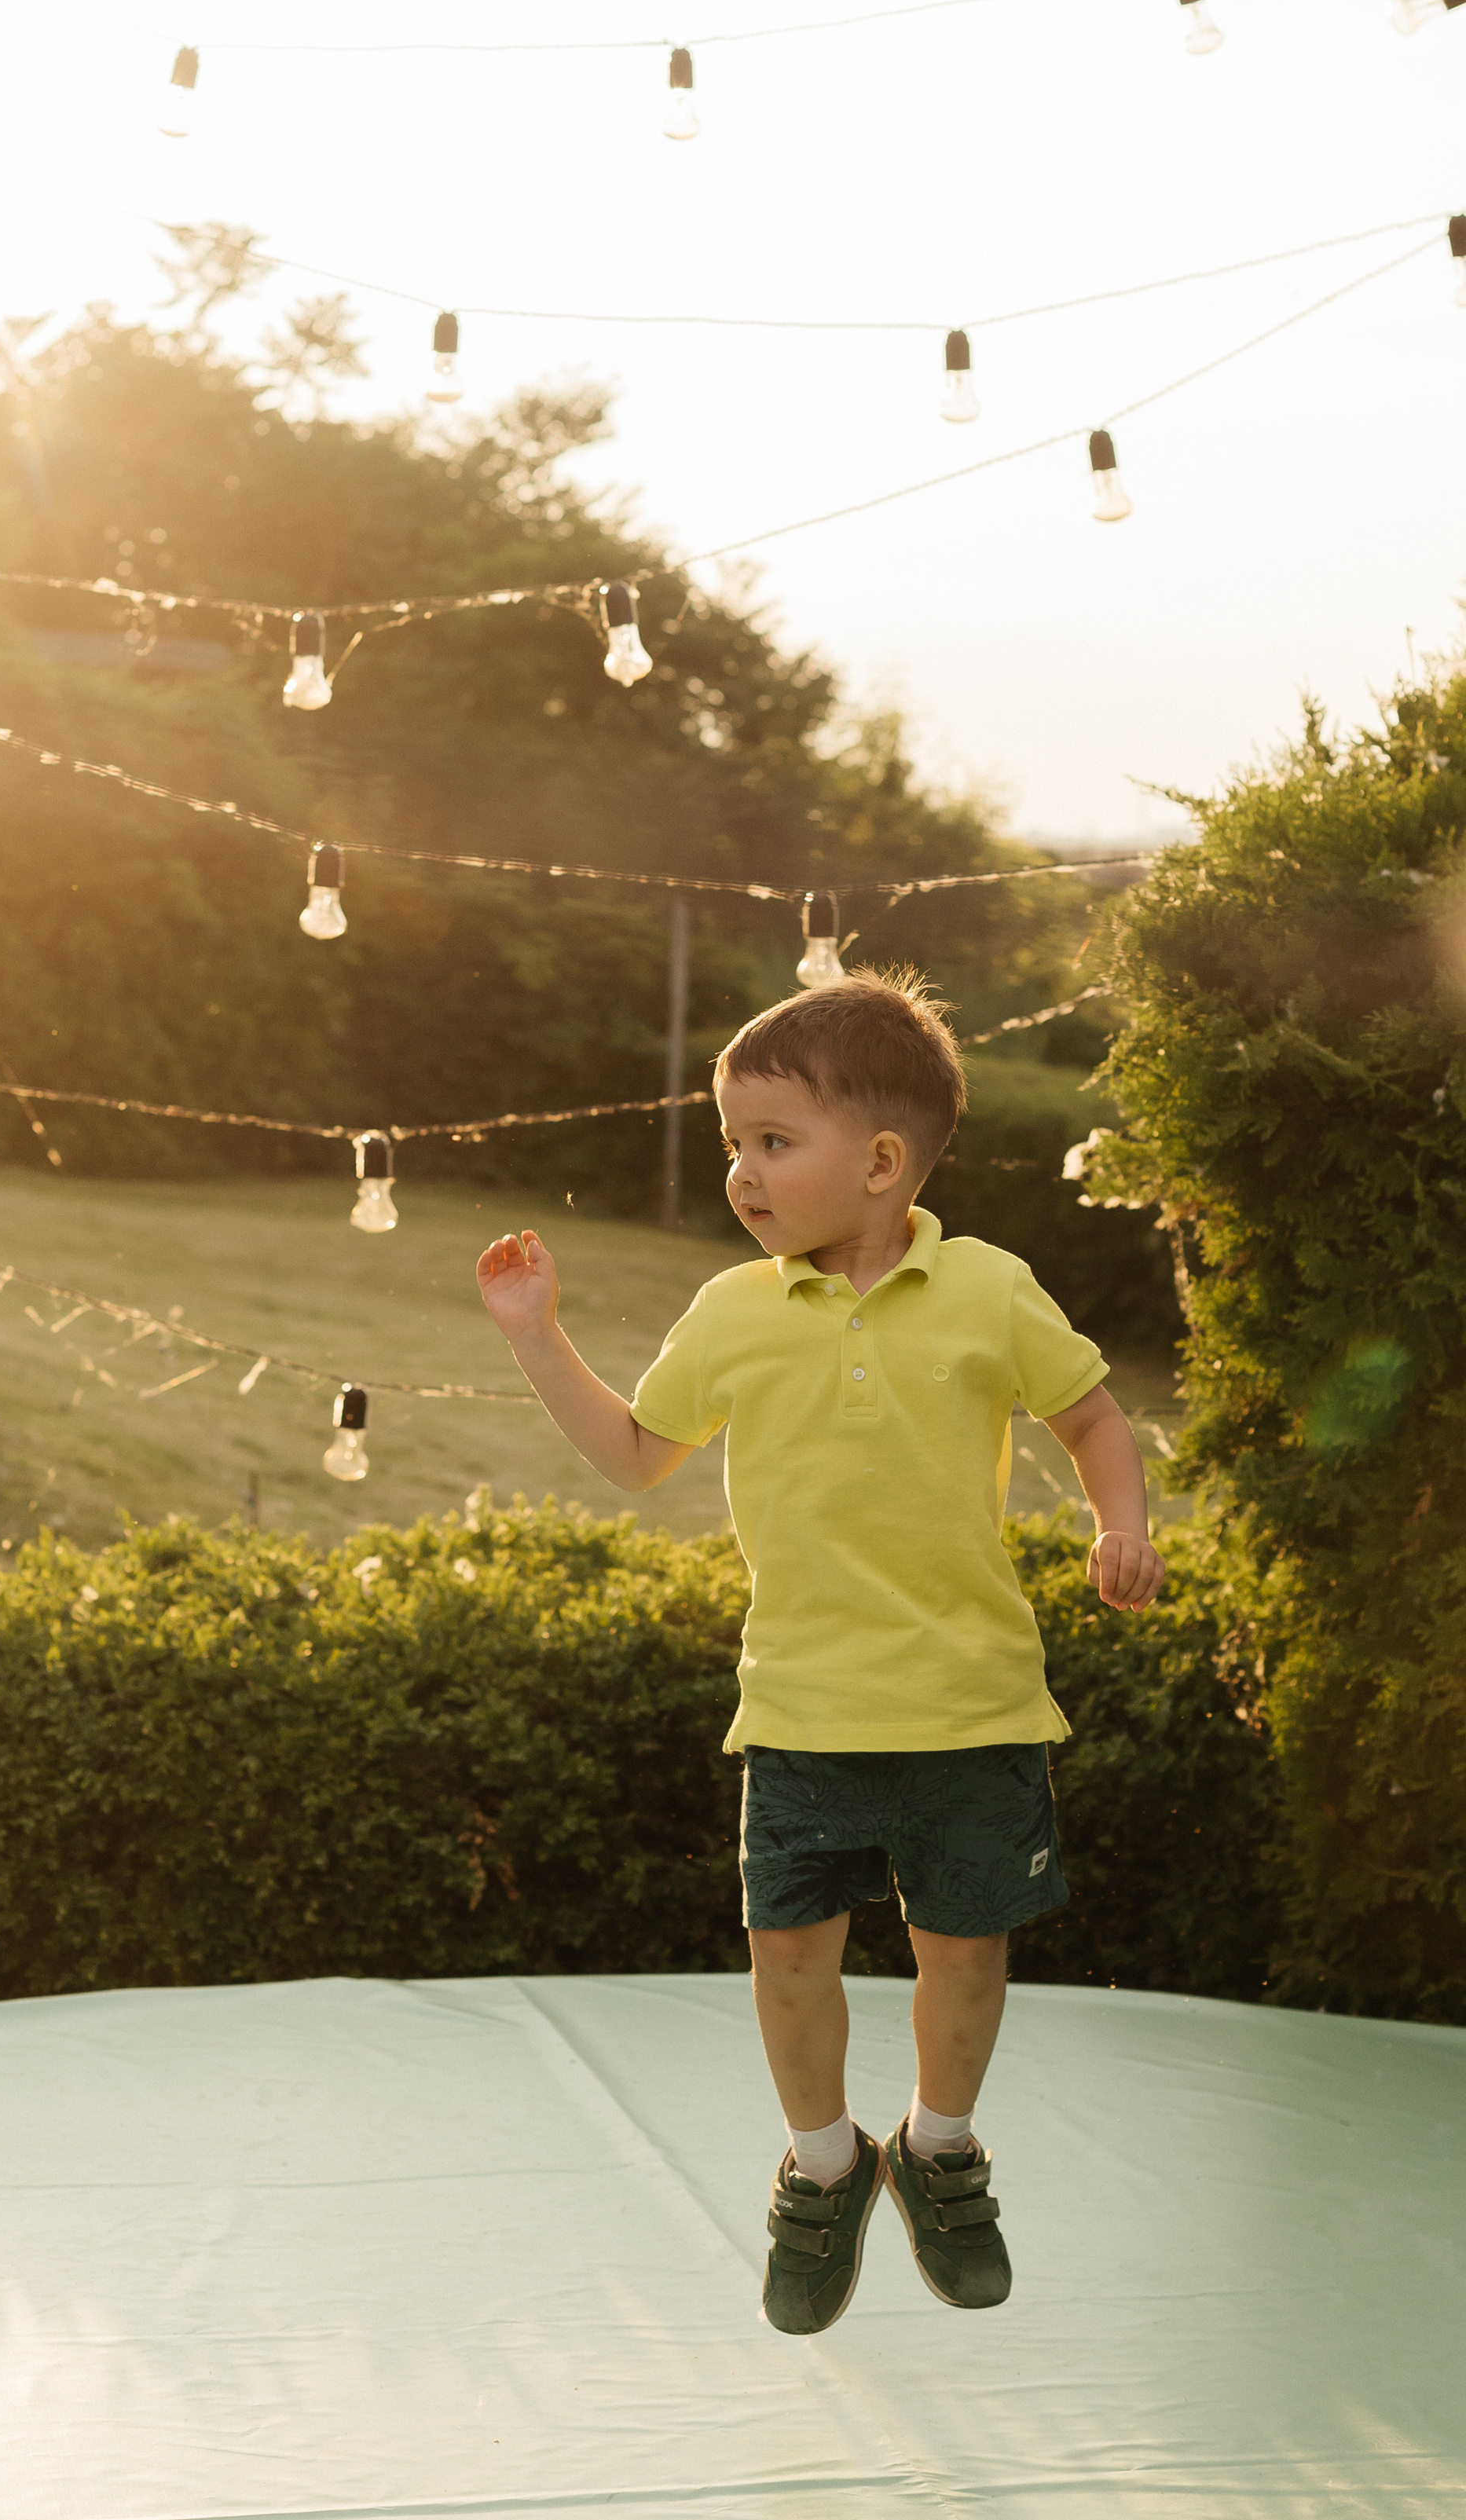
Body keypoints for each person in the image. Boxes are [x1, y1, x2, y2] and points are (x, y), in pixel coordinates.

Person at [475, 969, 1161, 2334]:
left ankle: (940, 2146)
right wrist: (537, 1337)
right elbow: (632, 1454)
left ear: (884, 1161)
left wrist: (1121, 1524)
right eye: (733, 1140)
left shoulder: (988, 1291)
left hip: (971, 1710)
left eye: (770, 1141)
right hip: (798, 1710)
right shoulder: (733, 1312)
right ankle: (827, 2163)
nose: (741, 1169)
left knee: (964, 1958)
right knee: (789, 1956)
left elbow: (1091, 1416)